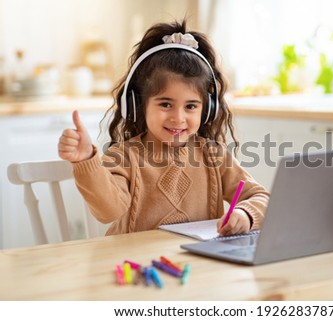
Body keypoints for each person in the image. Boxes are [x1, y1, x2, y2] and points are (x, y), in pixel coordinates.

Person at [58, 19, 269, 237]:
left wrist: (246, 214)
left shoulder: (214, 156)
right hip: (136, 262)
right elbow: (107, 211)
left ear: (207, 110)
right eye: (165, 104)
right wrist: (86, 160)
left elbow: (262, 197)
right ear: (140, 104)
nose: (178, 118)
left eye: (190, 106)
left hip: (196, 265)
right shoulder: (124, 156)